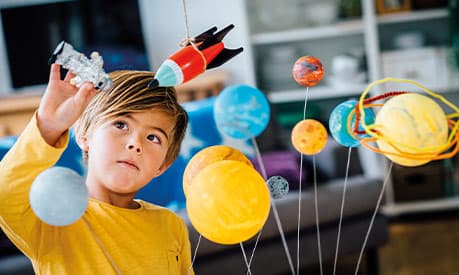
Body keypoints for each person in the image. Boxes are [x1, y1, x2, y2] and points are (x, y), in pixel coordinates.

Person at [0, 63, 193, 274]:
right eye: (121, 125)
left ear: (163, 165)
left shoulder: (171, 226)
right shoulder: (53, 219)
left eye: (153, 138)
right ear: (84, 134)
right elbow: (5, 192)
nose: (135, 144)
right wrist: (48, 127)